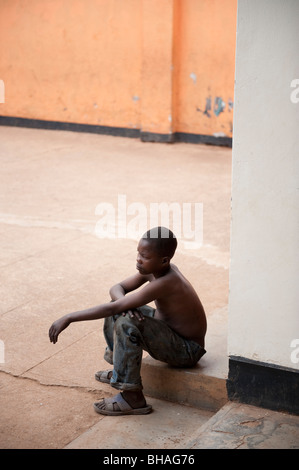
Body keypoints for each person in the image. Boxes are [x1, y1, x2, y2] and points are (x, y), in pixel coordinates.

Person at [49, 226, 207, 416]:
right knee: (120, 309)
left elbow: (115, 306)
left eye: (145, 256)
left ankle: (133, 398)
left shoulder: (167, 282)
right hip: (170, 334)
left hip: (187, 350)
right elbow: (117, 288)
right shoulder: (157, 269)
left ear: (164, 260)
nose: (139, 259)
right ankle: (120, 371)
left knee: (125, 320)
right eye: (138, 253)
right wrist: (124, 303)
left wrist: (69, 317)